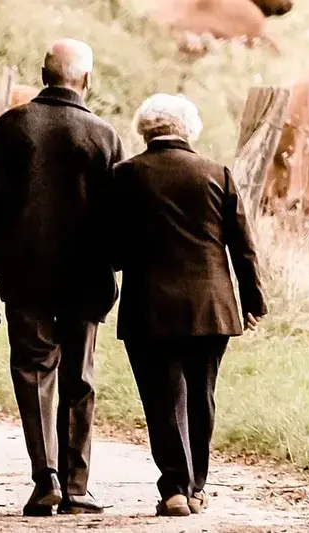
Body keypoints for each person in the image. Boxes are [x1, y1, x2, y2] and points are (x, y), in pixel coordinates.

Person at [0, 38, 125, 517]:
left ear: (42, 75)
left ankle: (46, 479)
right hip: (86, 278)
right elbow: (117, 218)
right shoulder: (103, 136)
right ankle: (77, 487)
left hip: (24, 276)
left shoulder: (12, 126)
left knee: (34, 372)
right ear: (87, 80)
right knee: (79, 377)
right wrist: (116, 269)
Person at [109, 94, 268, 517]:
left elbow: (113, 249)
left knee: (162, 398)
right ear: (189, 129)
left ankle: (175, 489)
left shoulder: (124, 175)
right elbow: (243, 246)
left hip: (149, 307)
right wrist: (252, 300)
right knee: (201, 395)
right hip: (211, 306)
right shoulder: (217, 174)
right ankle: (196, 487)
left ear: (144, 130)